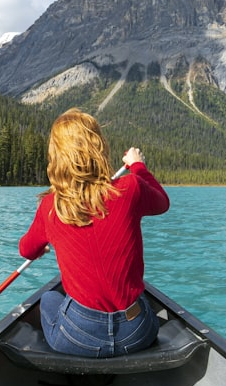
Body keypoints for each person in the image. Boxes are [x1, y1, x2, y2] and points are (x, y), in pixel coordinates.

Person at [19, 108, 170, 358]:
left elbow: (26, 250)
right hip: (137, 333)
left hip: (78, 336)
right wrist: (138, 167)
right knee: (141, 301)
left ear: (57, 156)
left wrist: (42, 245)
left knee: (48, 299)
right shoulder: (130, 188)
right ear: (98, 148)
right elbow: (162, 202)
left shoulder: (50, 207)